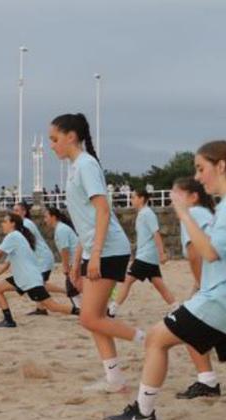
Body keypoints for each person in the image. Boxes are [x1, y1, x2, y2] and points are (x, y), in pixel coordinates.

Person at [104, 140, 226, 420]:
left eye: (201, 169)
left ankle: (143, 412)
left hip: (222, 300)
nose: (199, 177)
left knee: (156, 338)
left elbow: (210, 252)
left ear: (221, 166)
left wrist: (183, 214)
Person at [49, 113, 146, 393]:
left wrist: (95, 255)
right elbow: (85, 220)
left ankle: (149, 340)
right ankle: (114, 379)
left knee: (89, 317)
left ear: (71, 137)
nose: (52, 145)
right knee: (97, 317)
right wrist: (79, 259)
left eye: (55, 139)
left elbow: (103, 211)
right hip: (97, 248)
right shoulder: (75, 167)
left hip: (108, 250)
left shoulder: (87, 165)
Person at [166, 177, 225, 400]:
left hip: (214, 287)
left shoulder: (192, 215)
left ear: (193, 197)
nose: (172, 198)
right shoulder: (204, 214)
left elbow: (195, 253)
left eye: (176, 193)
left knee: (186, 327)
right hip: (218, 283)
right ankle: (207, 380)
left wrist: (201, 286)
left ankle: (207, 381)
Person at [0, 213, 51, 327]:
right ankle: (8, 320)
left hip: (28, 277)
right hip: (22, 277)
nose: (2, 224)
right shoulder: (16, 238)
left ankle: (78, 311)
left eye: (5, 221)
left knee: (52, 305)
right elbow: (4, 266)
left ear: (12, 224)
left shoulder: (13, 236)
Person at [110, 189, 176, 316]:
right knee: (159, 284)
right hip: (147, 256)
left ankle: (112, 309)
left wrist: (161, 253)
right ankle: (175, 306)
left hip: (146, 256)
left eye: (133, 197)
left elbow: (156, 234)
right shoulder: (142, 214)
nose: (131, 200)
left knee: (127, 281)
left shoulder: (147, 214)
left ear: (141, 198)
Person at [13, 202, 72, 317]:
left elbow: (26, 244)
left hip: (43, 258)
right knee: (39, 283)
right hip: (38, 259)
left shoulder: (26, 224)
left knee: (39, 284)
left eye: (17, 210)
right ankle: (41, 308)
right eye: (13, 210)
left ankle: (65, 292)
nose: (14, 212)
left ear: (24, 212)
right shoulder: (21, 225)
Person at [44, 206, 82, 314]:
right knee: (73, 288)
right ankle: (82, 310)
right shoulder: (61, 228)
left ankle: (82, 311)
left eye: (46, 217)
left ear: (53, 217)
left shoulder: (61, 230)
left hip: (76, 261)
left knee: (72, 288)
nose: (44, 219)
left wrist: (65, 266)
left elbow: (65, 250)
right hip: (76, 260)